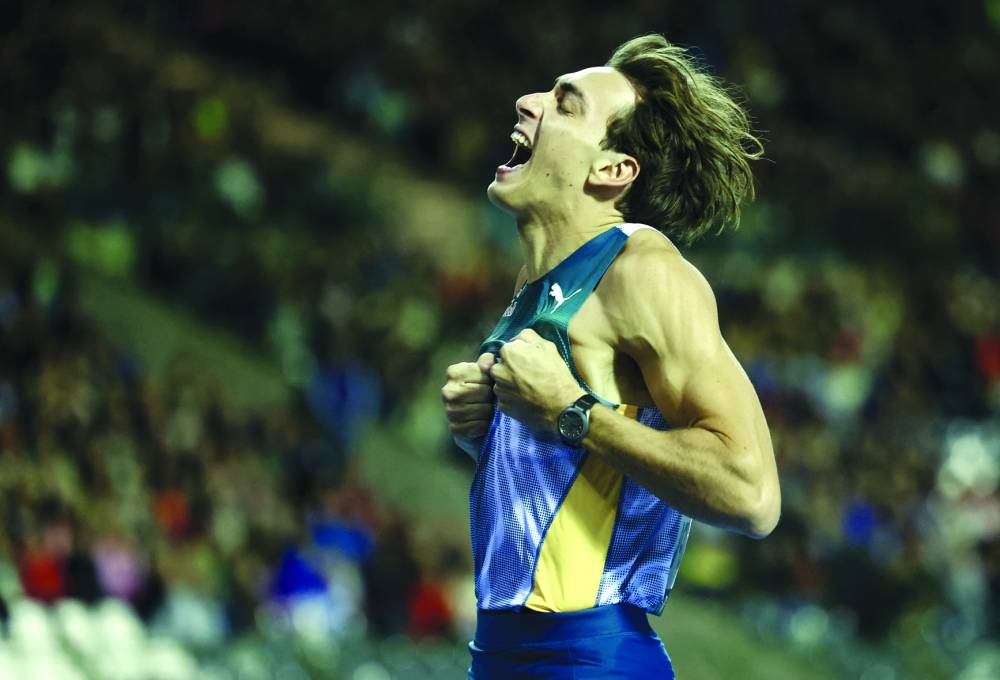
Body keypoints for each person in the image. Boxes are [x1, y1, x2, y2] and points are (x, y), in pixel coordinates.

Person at [441, 34, 781, 679]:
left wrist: (573, 412)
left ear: (612, 169)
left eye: (565, 106)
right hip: (500, 656)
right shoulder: (536, 286)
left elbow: (752, 493)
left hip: (592, 659)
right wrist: (487, 432)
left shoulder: (646, 273)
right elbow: (567, 481)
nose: (528, 101)